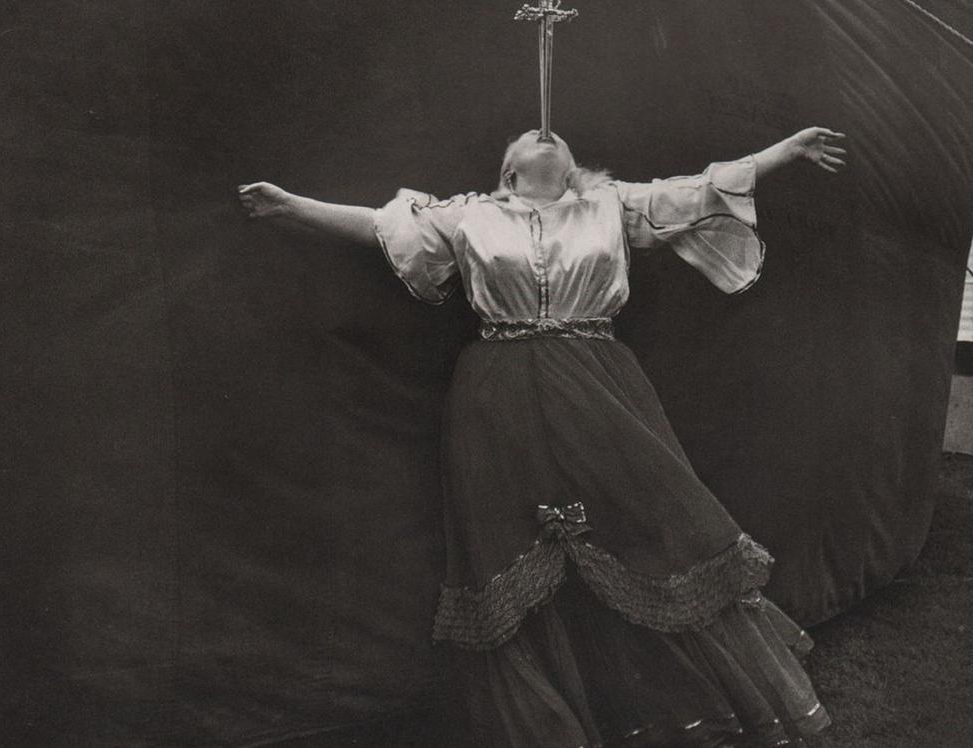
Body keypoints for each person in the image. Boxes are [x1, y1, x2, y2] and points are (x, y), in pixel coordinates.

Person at [238, 125, 847, 747]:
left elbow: (702, 190)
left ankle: (669, 705)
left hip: (600, 384)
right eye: (531, 135)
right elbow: (376, 226)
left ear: (573, 166)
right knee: (511, 541)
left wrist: (786, 151)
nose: (544, 131)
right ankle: (546, 723)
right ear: (509, 170)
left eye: (555, 135)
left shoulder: (612, 206)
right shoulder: (470, 216)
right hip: (497, 393)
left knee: (643, 526)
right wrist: (290, 206)